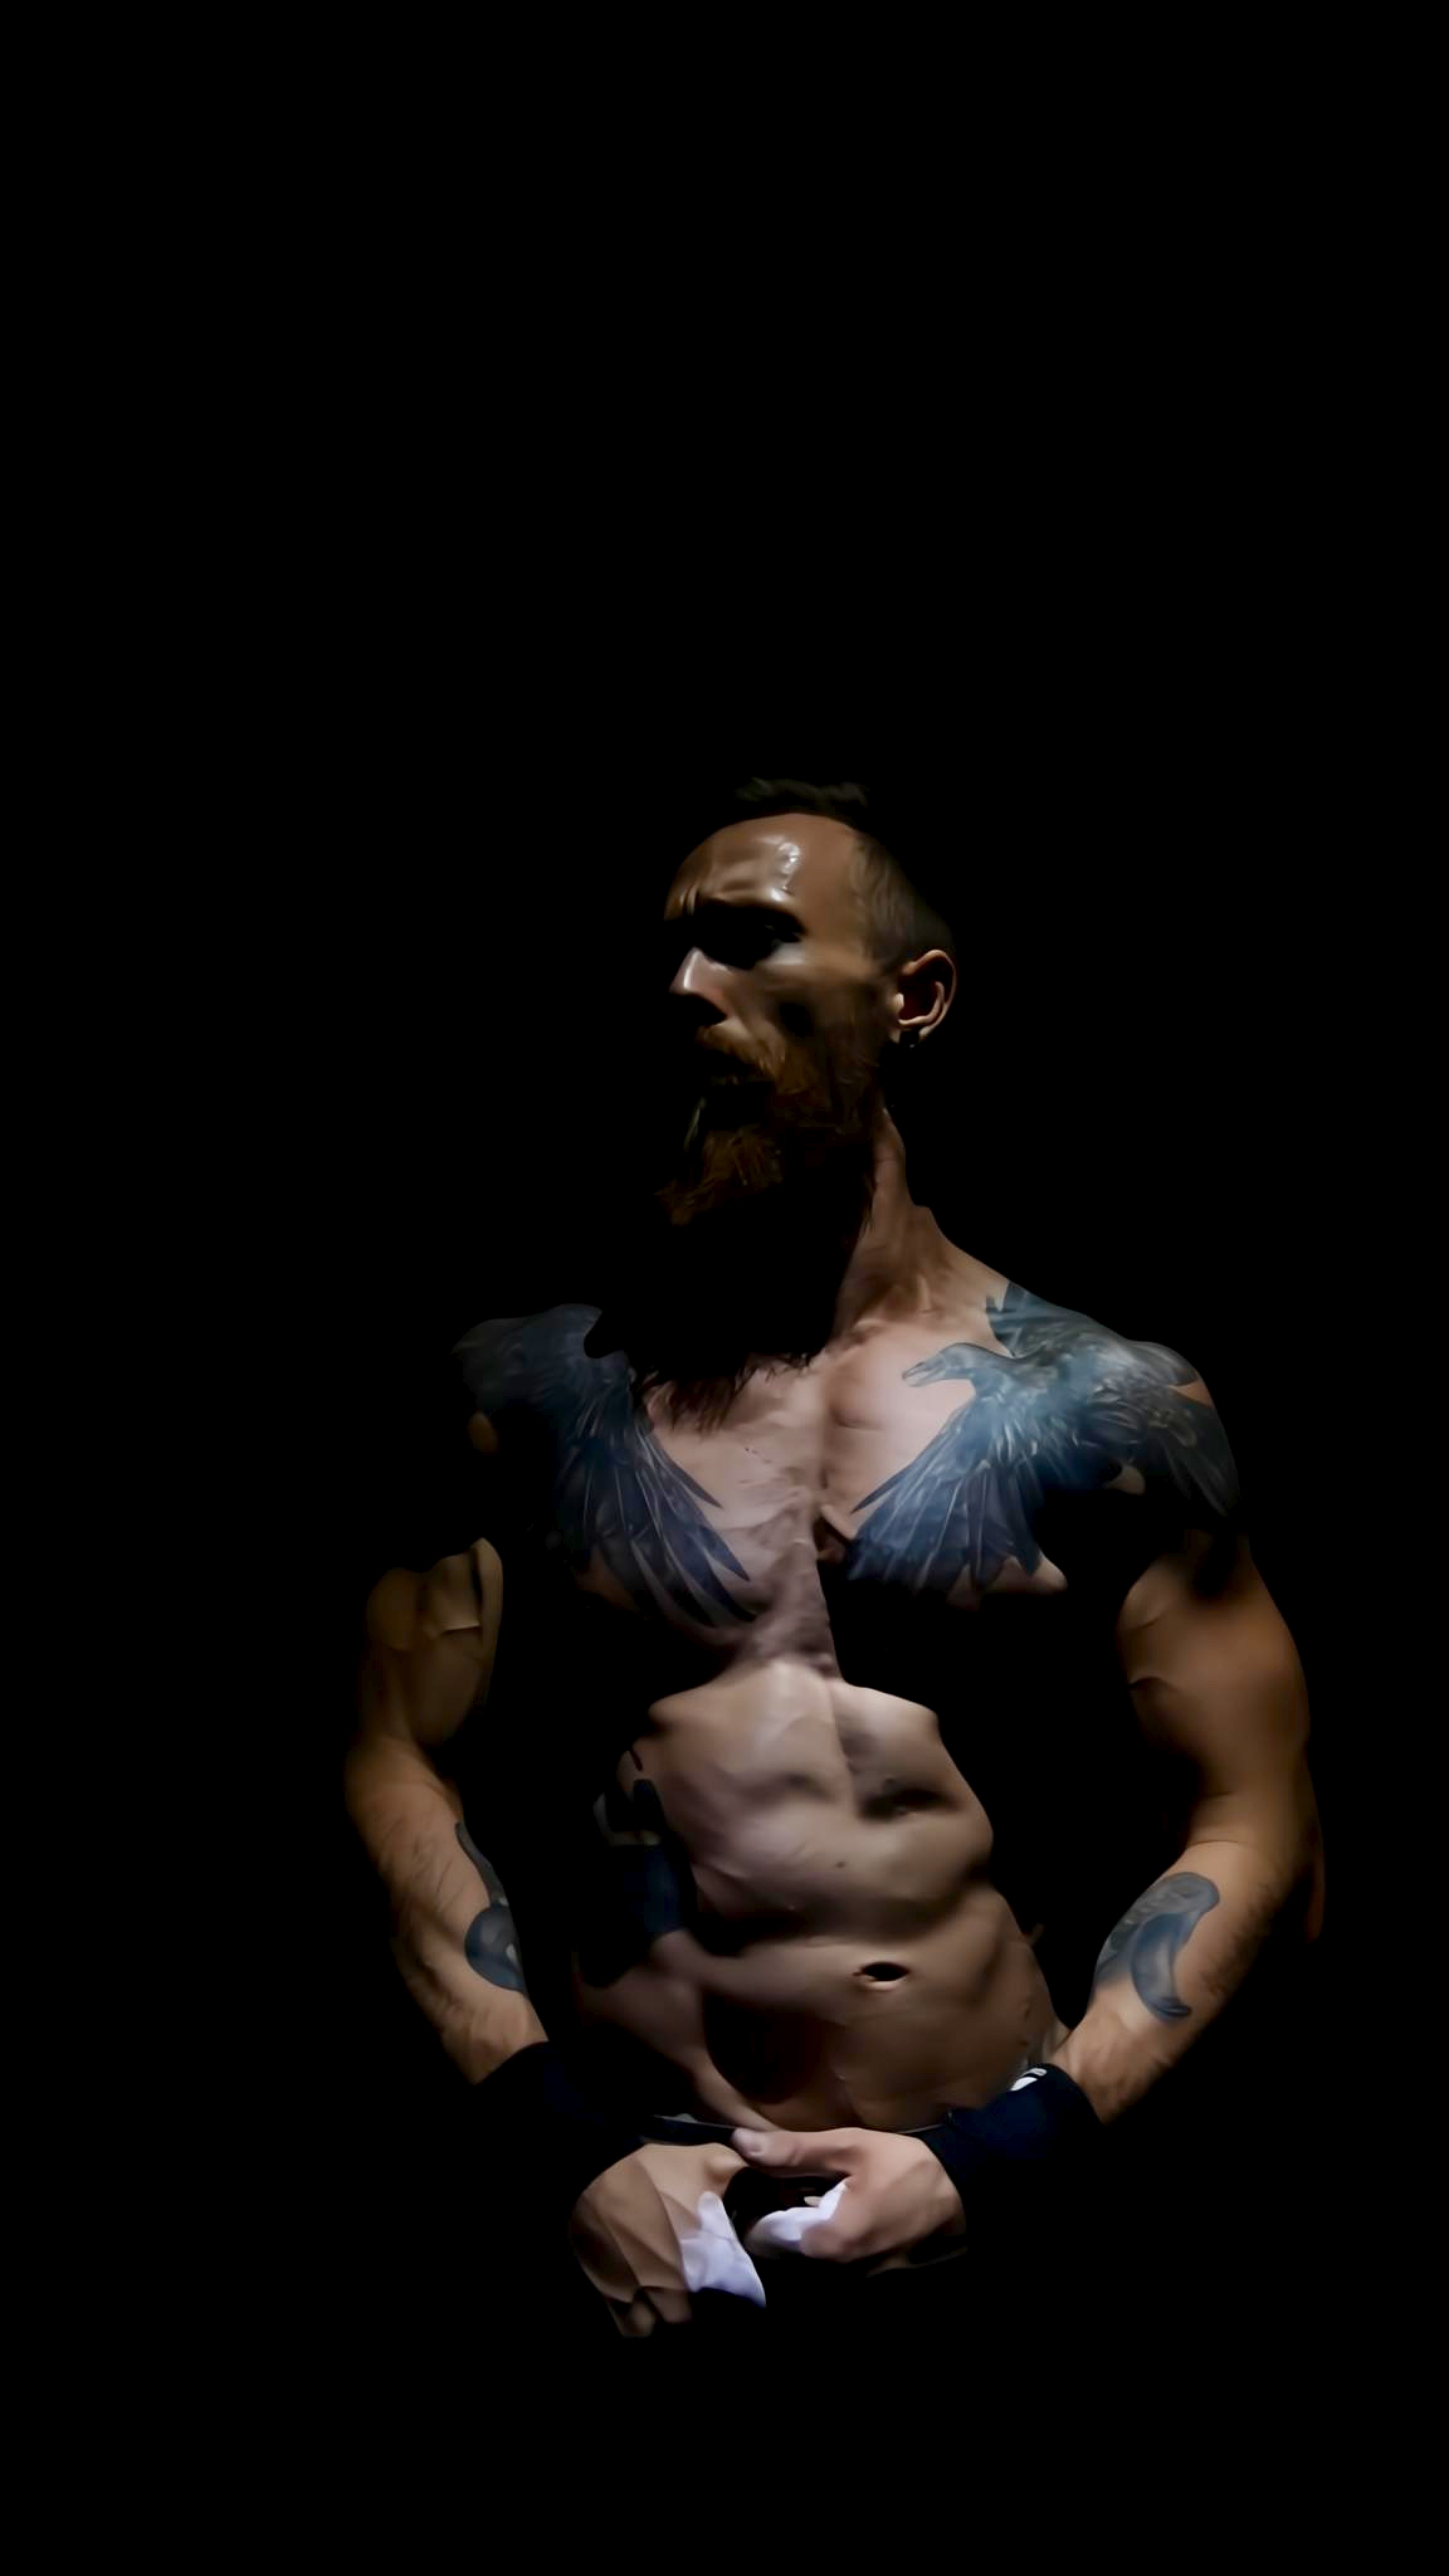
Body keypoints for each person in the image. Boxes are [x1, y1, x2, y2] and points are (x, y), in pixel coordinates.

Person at [343, 779, 1325, 2363]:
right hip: (617, 2216)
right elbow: (391, 1755)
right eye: (671, 950)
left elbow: (1257, 1817)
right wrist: (560, 2142)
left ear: (914, 998)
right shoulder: (530, 1390)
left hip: (982, 2227)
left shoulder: (1100, 1408)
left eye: (750, 941)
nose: (685, 987)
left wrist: (1009, 2159)